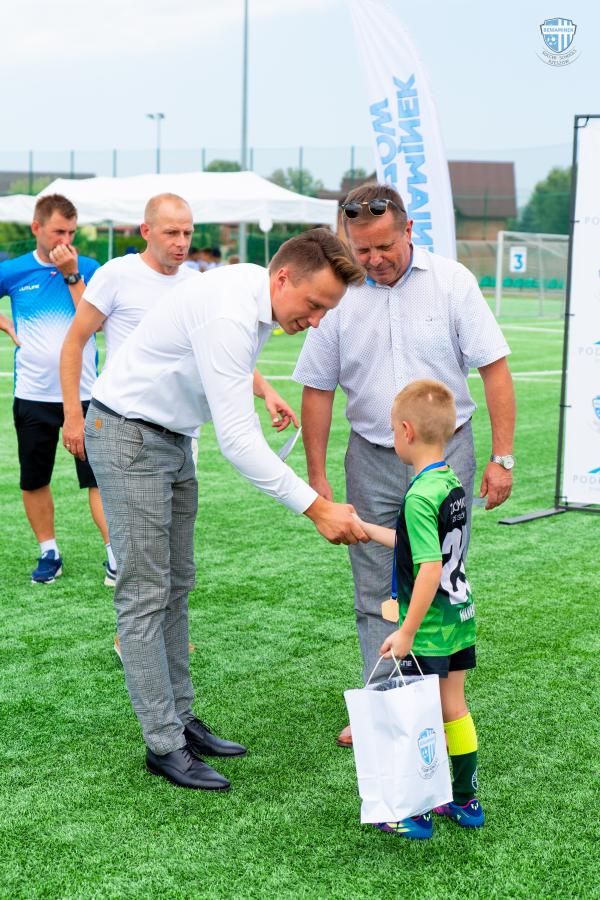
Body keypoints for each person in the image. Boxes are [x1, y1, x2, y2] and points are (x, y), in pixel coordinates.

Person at [68, 228, 368, 791]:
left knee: (178, 582)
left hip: (171, 436)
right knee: (145, 592)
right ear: (284, 277)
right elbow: (238, 441)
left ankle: (181, 720)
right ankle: (163, 744)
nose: (316, 320)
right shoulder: (232, 309)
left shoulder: (254, 294)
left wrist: (264, 391)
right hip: (130, 435)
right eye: (314, 304)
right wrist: (316, 508)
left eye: (327, 310)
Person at [293, 184, 515, 747]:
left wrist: (502, 457)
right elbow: (317, 388)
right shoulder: (340, 294)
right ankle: (384, 710)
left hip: (447, 456)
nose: (373, 260)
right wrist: (317, 479)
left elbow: (493, 367)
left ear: (408, 230)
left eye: (384, 246)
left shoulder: (452, 283)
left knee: (438, 580)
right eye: (361, 249)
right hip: (370, 457)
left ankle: (438, 705)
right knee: (374, 587)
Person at [61, 193, 296, 656]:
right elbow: (75, 341)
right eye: (171, 232)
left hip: (181, 430)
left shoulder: (198, 284)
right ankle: (135, 637)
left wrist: (266, 390)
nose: (182, 241)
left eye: (188, 232)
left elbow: (220, 353)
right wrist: (74, 412)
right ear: (146, 231)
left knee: (171, 553)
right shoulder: (116, 275)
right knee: (141, 556)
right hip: (128, 424)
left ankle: (161, 635)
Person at [354, 379, 483, 840]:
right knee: (454, 707)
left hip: (428, 627)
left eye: (393, 430)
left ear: (406, 431)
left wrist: (406, 631)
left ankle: (414, 812)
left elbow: (428, 568)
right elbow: (424, 548)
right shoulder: (449, 483)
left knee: (419, 715)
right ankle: (465, 801)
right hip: (459, 617)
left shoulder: (417, 495)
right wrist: (368, 529)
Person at [0, 193, 112, 585]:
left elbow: (97, 323)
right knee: (34, 479)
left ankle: (115, 554)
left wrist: (71, 275)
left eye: (71, 232)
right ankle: (49, 551)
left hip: (87, 396)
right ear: (37, 228)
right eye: (58, 232)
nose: (65, 240)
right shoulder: (14, 270)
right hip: (33, 396)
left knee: (99, 478)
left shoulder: (90, 269)